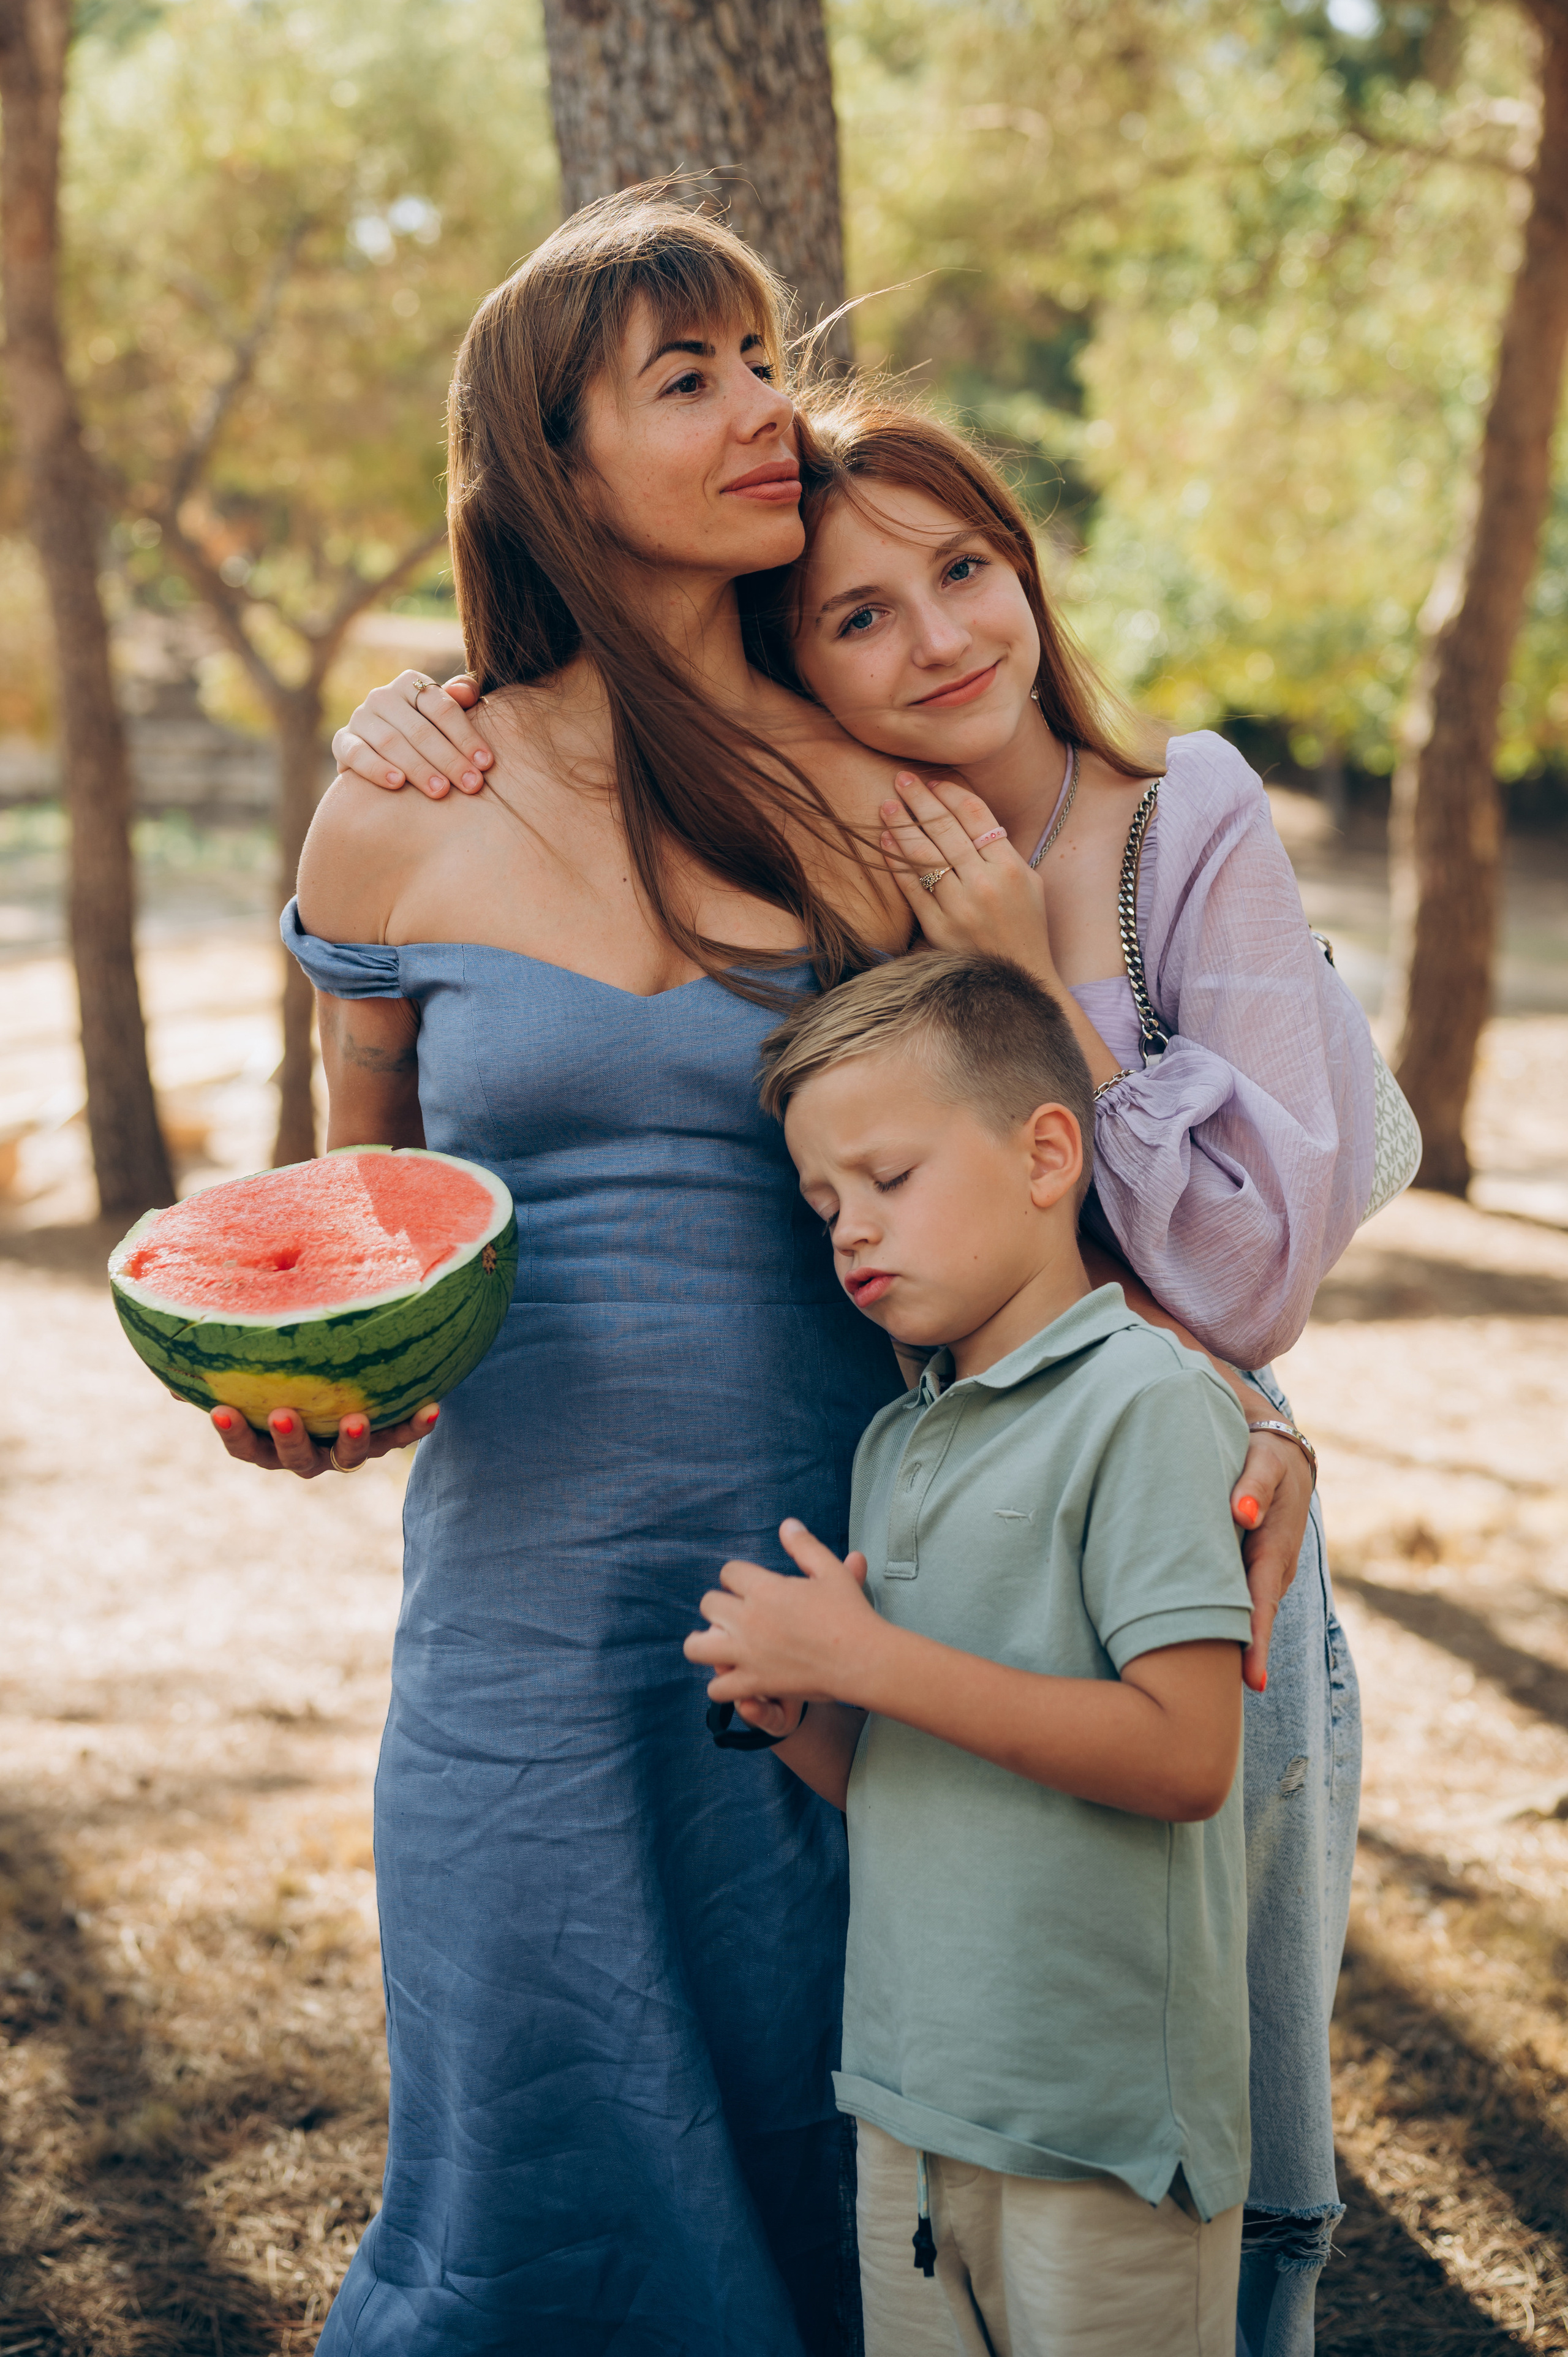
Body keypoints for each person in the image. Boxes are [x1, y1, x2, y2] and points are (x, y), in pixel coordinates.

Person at [350, 377, 1372, 2353]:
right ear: (796, 659)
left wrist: (1031, 977)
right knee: (950, 2095)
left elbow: (1236, 1275)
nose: (939, 643)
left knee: (1219, 2134)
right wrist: (397, 707)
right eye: (858, 617)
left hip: (1188, 1504)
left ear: (1028, 560)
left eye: (965, 573)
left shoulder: (1178, 820)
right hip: (938, 1513)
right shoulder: (853, 821)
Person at [686, 950, 1254, 2357]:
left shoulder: (1145, 1403)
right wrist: (800, 1708)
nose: (849, 1231)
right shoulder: (900, 1434)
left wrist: (867, 1661)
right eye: (824, 1204)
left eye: (886, 1177)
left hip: (1099, 2129)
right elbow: (906, 1775)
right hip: (911, 2101)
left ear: (1045, 1152)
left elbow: (1184, 1755)